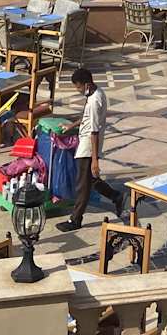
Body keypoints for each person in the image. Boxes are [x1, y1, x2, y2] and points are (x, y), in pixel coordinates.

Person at [58, 66, 125, 231]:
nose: (78, 90)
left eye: (79, 87)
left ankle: (75, 219)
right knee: (91, 179)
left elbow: (94, 131)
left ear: (86, 84)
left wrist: (95, 160)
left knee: (82, 184)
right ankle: (116, 196)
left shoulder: (95, 101)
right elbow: (87, 117)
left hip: (89, 146)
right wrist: (71, 125)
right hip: (87, 141)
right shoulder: (97, 92)